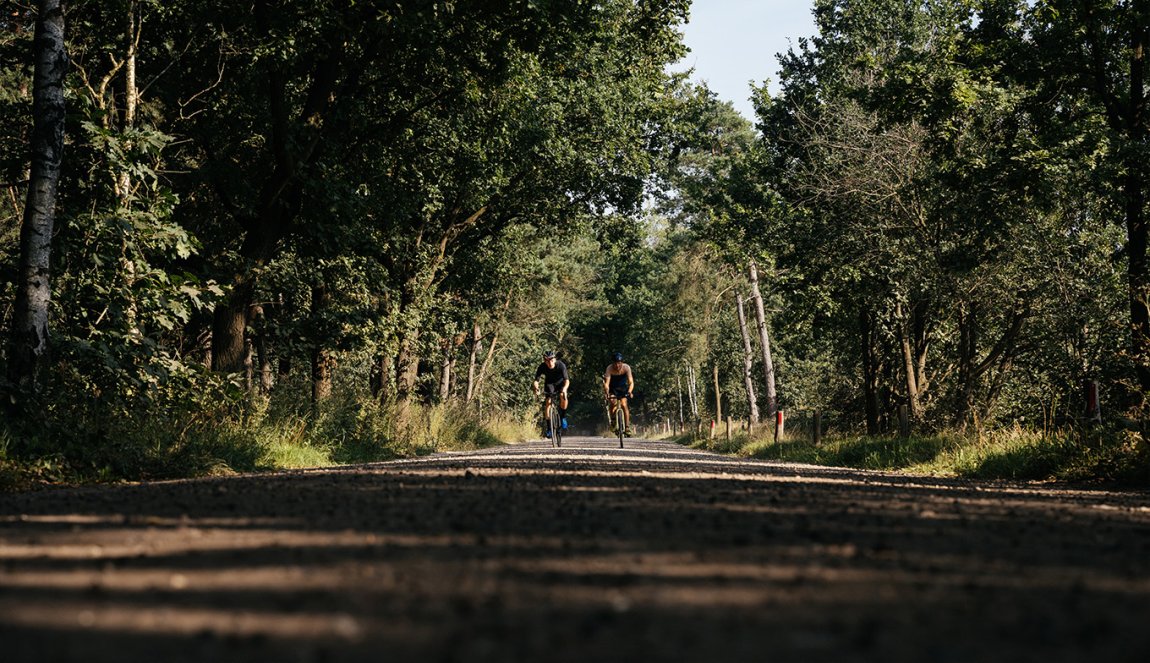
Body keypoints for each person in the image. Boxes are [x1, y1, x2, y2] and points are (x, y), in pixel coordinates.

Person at [533, 350, 569, 438]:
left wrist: (564, 389)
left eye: (551, 360)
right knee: (548, 402)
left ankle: (563, 417)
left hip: (561, 383)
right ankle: (549, 428)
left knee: (562, 396)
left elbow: (567, 381)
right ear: (544, 361)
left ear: (555, 359)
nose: (550, 362)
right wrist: (536, 388)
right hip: (549, 384)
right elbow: (536, 381)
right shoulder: (542, 366)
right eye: (547, 360)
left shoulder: (561, 365)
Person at [603, 351, 634, 435]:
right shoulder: (609, 368)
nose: (617, 365)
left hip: (623, 388)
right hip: (613, 388)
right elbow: (607, 384)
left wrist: (629, 392)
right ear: (613, 363)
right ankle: (613, 420)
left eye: (619, 363)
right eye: (615, 363)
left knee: (624, 405)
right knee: (612, 403)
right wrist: (606, 393)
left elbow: (631, 382)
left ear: (622, 362)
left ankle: (627, 427)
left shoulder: (626, 368)